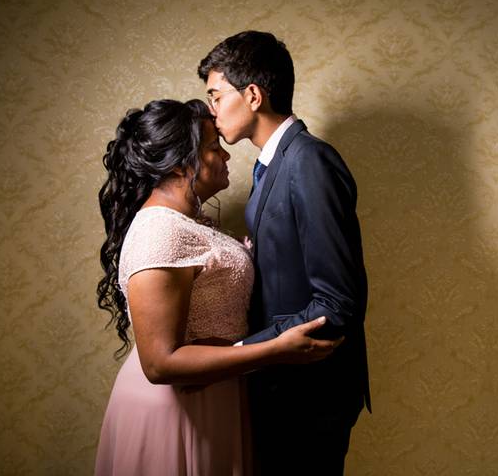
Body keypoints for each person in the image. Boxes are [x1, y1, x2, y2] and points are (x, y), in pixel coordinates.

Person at [94, 98, 341, 476]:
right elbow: (160, 363)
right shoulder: (160, 230)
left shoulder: (188, 222)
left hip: (212, 393)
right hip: (177, 408)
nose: (225, 156)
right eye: (213, 148)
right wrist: (275, 350)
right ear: (179, 163)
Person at [198, 31, 371, 475]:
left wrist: (240, 351)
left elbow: (336, 303)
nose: (211, 111)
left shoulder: (309, 161)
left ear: (252, 94)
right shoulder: (272, 166)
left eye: (216, 96)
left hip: (310, 397)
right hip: (282, 389)